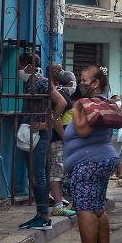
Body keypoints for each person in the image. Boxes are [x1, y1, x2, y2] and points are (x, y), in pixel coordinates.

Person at [64, 65, 122, 243]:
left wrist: (77, 108)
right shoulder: (105, 103)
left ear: (96, 83)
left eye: (85, 81)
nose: (81, 84)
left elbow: (82, 131)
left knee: (85, 209)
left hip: (88, 162)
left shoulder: (86, 104)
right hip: (103, 159)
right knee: (98, 208)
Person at [16, 51, 67, 230]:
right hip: (30, 133)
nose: (18, 69)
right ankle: (39, 213)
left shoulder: (41, 82)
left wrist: (49, 121)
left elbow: (61, 102)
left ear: (29, 66)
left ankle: (44, 215)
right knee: (33, 174)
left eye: (20, 66)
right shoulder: (29, 84)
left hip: (39, 135)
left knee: (38, 174)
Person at [49, 67, 76, 216]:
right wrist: (65, 138)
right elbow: (56, 118)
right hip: (59, 140)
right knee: (57, 172)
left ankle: (60, 202)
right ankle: (58, 204)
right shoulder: (61, 95)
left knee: (60, 173)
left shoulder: (64, 94)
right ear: (70, 82)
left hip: (62, 139)